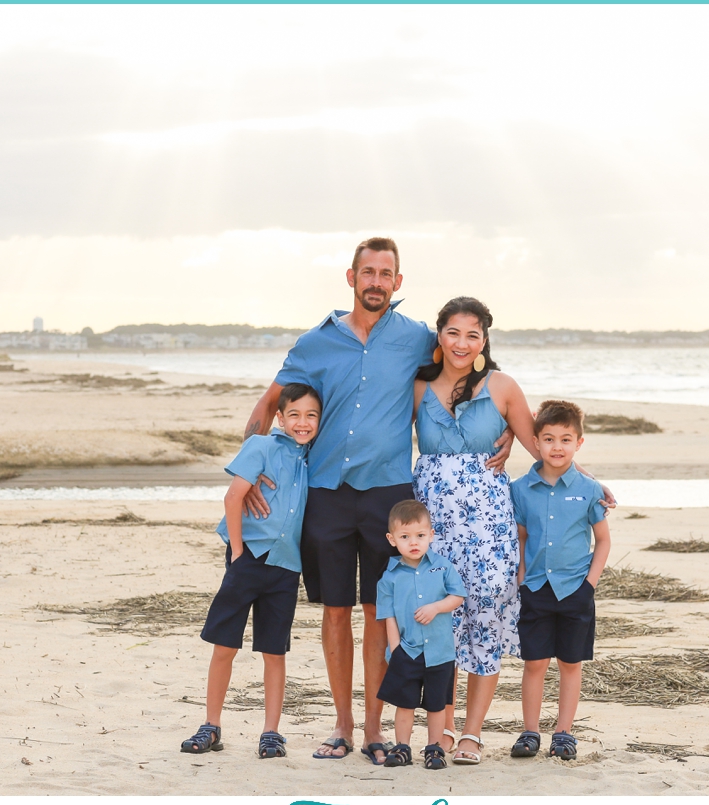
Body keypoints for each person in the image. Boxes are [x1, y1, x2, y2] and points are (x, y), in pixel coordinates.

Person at [241, 238, 513, 763]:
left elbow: (467, 365)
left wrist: (502, 432)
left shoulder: (417, 340)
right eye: (367, 272)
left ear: (398, 282)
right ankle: (342, 725)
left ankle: (373, 730)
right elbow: (270, 403)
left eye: (385, 274)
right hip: (325, 494)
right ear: (351, 277)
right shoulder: (315, 342)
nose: (375, 282)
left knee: (378, 612)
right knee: (336, 613)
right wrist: (248, 473)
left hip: (389, 497)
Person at [411, 297, 614, 764]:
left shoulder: (502, 386)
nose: (463, 343)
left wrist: (588, 482)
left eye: (473, 334)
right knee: (441, 623)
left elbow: (542, 447)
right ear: (439, 335)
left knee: (483, 621)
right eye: (454, 333)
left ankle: (472, 734)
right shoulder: (419, 386)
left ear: (485, 339)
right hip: (434, 521)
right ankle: (439, 730)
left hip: (489, 525)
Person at [180, 383, 321, 759]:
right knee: (225, 644)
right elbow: (232, 497)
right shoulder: (261, 446)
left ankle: (271, 732)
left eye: (311, 416)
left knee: (274, 652)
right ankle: (211, 724)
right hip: (249, 559)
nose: (303, 422)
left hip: (286, 568)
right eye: (294, 414)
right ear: (280, 417)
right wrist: (239, 553)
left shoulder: (314, 459)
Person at [509, 400, 610, 761]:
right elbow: (520, 537)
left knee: (570, 663)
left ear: (578, 444)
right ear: (535, 441)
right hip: (535, 588)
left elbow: (603, 540)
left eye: (566, 440)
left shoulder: (589, 489)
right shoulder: (520, 489)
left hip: (575, 590)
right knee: (534, 663)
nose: (557, 447)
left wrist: (590, 585)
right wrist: (522, 577)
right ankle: (530, 731)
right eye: (549, 438)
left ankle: (564, 733)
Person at [375, 500, 466, 770]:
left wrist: (436, 607)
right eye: (405, 537)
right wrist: (396, 649)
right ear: (392, 540)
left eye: (420, 536)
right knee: (405, 703)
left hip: (440, 650)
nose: (413, 542)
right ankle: (402, 747)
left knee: (437, 705)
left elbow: (458, 596)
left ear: (431, 535)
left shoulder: (443, 567)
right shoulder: (389, 577)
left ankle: (434, 748)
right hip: (408, 650)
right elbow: (387, 615)